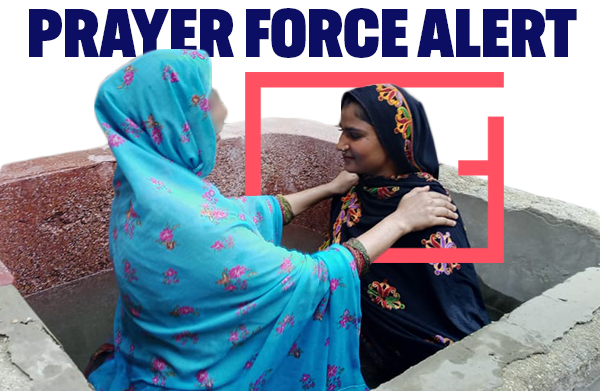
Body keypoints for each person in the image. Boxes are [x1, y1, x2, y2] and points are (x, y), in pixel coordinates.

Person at [86, 50, 458, 391]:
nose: (223, 111)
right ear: (172, 120)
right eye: (207, 100)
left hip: (159, 352)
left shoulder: (144, 190)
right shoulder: (192, 223)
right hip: (199, 377)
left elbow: (237, 213)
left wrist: (327, 189)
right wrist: (400, 222)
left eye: (354, 134)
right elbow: (313, 279)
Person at [322, 85, 490, 387]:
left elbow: (453, 308)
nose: (339, 144)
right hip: (353, 340)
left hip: (414, 360)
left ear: (391, 138)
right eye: (341, 131)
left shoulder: (428, 206)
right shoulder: (355, 192)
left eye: (354, 135)